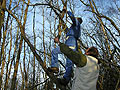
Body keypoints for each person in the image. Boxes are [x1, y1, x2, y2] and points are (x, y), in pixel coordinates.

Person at [48, 7, 83, 86]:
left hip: (72, 43)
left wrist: (67, 11)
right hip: (68, 42)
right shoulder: (73, 28)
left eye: (76, 19)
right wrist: (60, 24)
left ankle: (66, 79)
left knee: (69, 61)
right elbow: (66, 30)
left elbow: (73, 18)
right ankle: (55, 67)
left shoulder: (77, 25)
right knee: (54, 51)